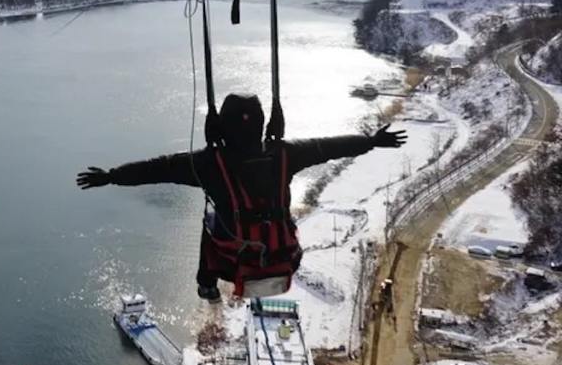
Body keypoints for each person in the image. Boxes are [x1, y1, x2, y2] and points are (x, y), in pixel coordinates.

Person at [76, 93, 406, 300]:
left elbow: (156, 169)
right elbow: (331, 146)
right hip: (284, 257)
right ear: (263, 125)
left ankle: (206, 285)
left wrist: (112, 176)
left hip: (233, 264)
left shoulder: (210, 165)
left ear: (221, 128)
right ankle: (210, 282)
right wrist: (371, 141)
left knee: (211, 222)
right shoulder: (285, 155)